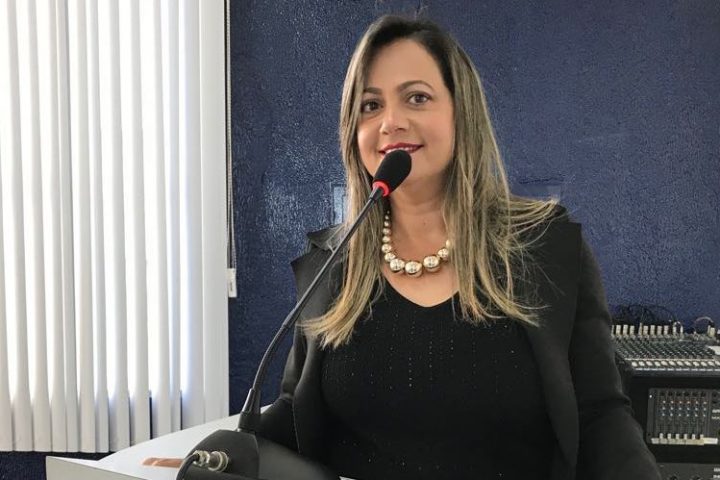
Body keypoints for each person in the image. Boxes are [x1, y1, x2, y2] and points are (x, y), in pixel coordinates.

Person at [256, 14, 662, 480]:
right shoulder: (331, 264)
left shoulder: (548, 248)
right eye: (370, 105)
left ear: (460, 112)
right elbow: (295, 413)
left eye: (417, 97)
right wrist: (225, 455)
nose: (391, 122)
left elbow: (600, 417)